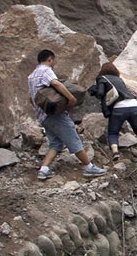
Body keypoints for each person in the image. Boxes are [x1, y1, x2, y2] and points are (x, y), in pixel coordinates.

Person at [27, 49, 107, 180]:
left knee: (56, 143)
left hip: (42, 115)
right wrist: (71, 98)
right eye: (54, 61)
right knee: (73, 138)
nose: (54, 63)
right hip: (54, 114)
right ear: (49, 59)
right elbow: (56, 83)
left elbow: (31, 98)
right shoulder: (45, 70)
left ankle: (44, 169)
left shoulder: (31, 76)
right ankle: (89, 167)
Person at [88, 62, 137, 160]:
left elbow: (101, 92)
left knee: (113, 132)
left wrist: (95, 92)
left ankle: (115, 152)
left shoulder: (101, 78)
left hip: (119, 108)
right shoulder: (119, 79)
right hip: (133, 105)